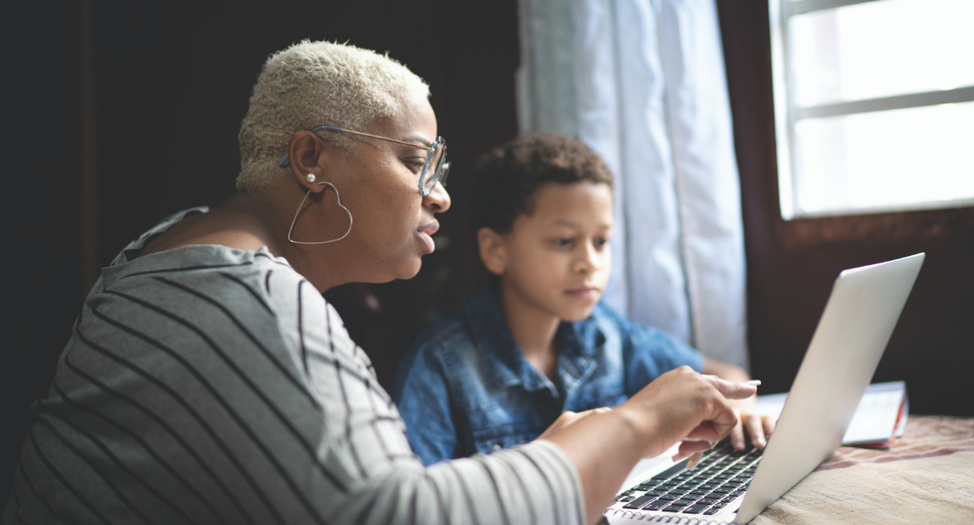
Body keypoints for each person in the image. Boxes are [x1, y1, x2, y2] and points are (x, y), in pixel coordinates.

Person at [2, 41, 757, 525]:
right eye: (413, 161)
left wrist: (562, 444)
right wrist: (626, 428)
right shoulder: (241, 295)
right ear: (311, 160)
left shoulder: (182, 252)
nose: (440, 195)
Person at [393, 133, 773, 466]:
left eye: (601, 241)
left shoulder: (607, 334)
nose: (589, 263)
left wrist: (739, 411)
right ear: (495, 250)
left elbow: (727, 377)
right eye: (563, 241)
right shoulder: (436, 369)